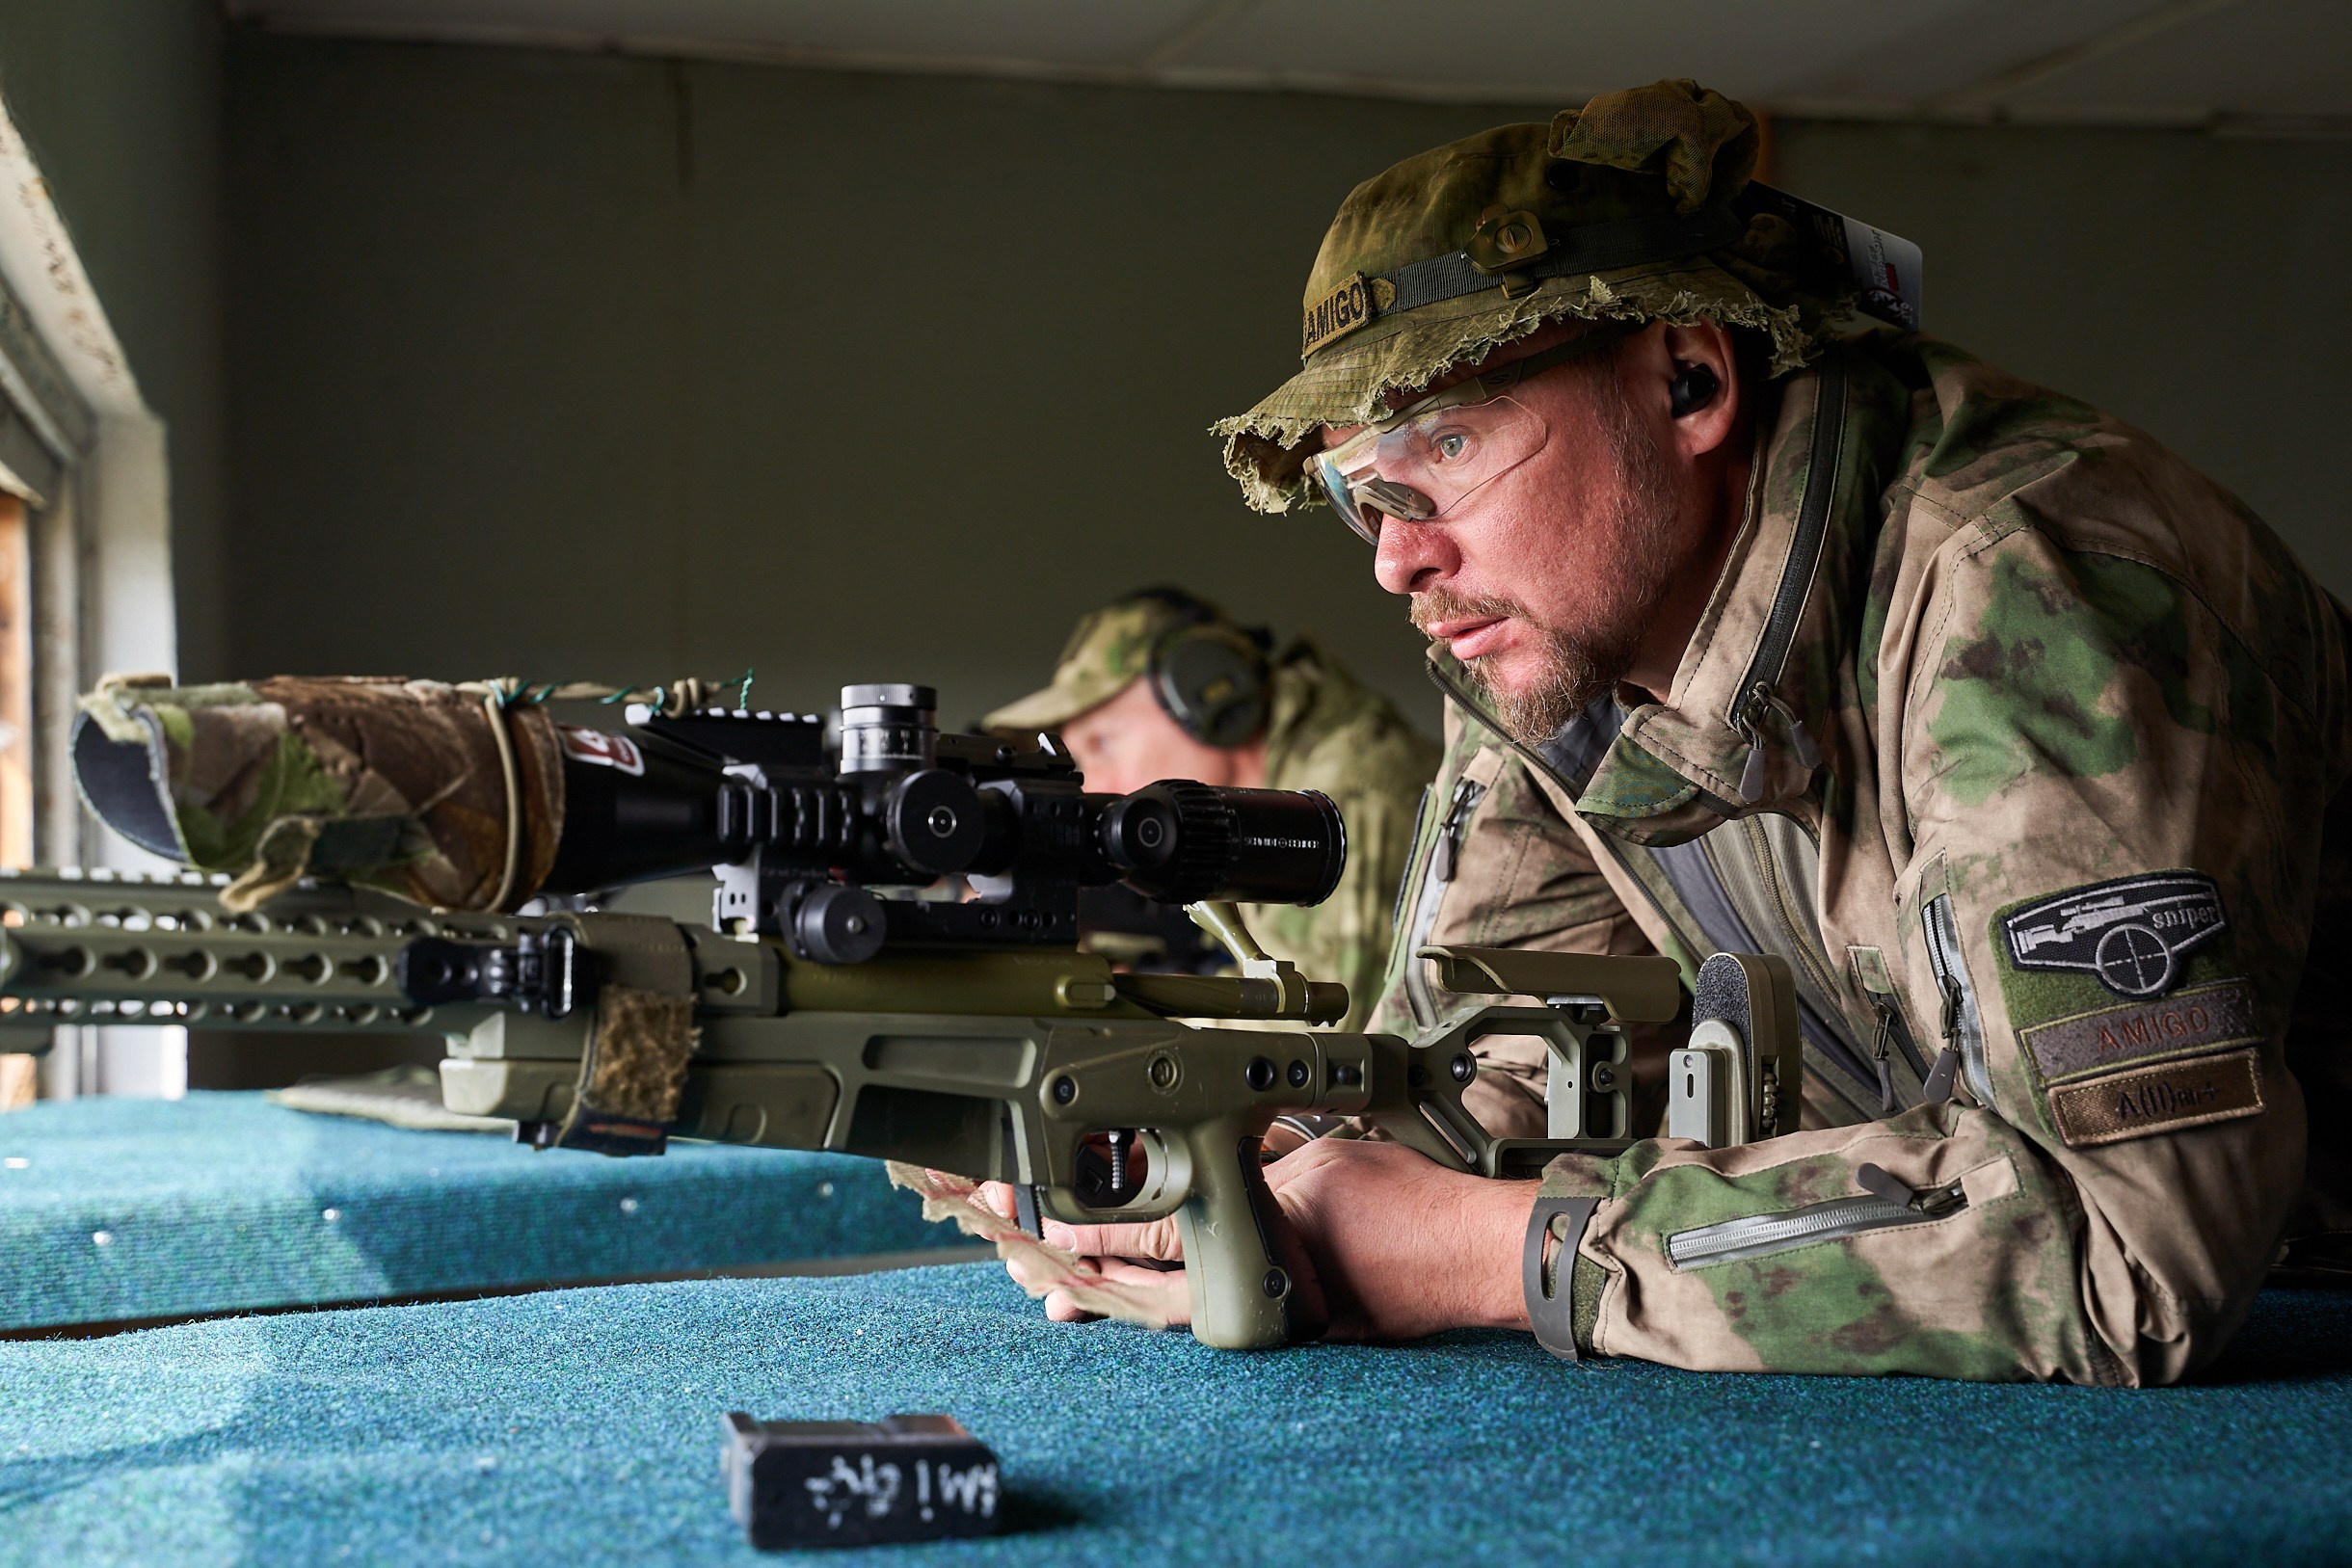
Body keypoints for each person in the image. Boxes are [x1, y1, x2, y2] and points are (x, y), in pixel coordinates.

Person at [987, 79, 2352, 1384]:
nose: (1399, 558)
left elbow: (2130, 1244)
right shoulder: (1559, 652)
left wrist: (1511, 1251)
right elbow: (1489, 1084)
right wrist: (1231, 1162)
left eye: (1449, 447)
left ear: (1689, 381)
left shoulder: (2027, 585)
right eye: (1363, 491)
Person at [983, 588, 1439, 1031]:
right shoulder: (1240, 818)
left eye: (1102, 743)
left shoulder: (1348, 801)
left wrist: (1110, 1008)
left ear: (1203, 692)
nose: (1095, 783)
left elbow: (1312, 1037)